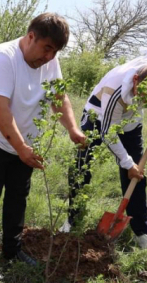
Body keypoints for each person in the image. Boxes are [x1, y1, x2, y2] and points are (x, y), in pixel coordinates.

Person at [0, 12, 85, 280]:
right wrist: (21, 148)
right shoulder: (3, 58)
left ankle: (12, 249)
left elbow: (59, 96)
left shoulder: (50, 61)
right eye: (47, 48)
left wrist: (72, 129)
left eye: (54, 52)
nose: (49, 57)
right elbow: (0, 108)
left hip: (26, 142)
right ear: (31, 36)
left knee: (18, 196)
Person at [60, 56, 147, 249]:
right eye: (143, 95)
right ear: (135, 82)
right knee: (81, 165)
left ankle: (140, 230)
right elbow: (108, 132)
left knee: (137, 174)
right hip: (98, 115)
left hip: (131, 122)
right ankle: (73, 219)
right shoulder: (116, 90)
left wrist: (132, 165)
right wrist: (126, 162)